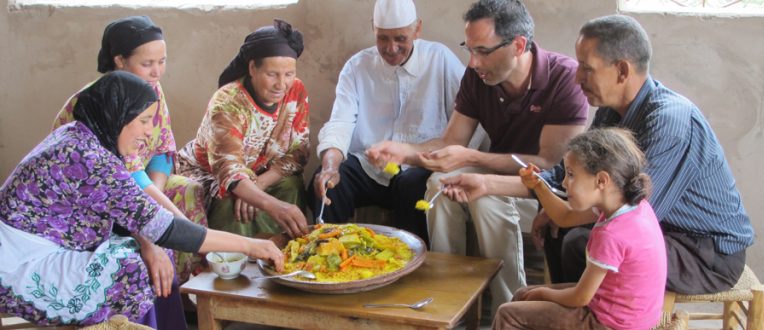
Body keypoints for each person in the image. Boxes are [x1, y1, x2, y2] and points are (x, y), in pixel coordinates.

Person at [442, 14, 755, 296]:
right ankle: (571, 312)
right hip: (661, 231)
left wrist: (561, 211)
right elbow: (563, 178)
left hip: (706, 252)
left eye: (587, 68)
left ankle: (580, 313)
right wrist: (485, 184)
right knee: (562, 227)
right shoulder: (610, 113)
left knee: (582, 240)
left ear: (621, 70)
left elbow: (633, 211)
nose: (578, 78)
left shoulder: (670, 120)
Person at [0, 72, 284, 327]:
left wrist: (152, 244)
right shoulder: (90, 159)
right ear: (118, 115)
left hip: (39, 246)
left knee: (150, 253)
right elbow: (167, 229)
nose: (149, 131)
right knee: (132, 270)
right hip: (18, 262)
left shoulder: (80, 135)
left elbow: (138, 215)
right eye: (144, 120)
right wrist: (251, 245)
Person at [366, 0, 589, 312]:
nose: (472, 62)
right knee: (439, 184)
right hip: (495, 178)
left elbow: (549, 165)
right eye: (469, 49)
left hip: (542, 192)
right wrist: (404, 151)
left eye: (482, 50)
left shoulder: (563, 78)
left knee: (485, 198)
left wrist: (475, 159)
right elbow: (450, 142)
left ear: (518, 45)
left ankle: (509, 308)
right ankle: (447, 300)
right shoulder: (479, 77)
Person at [52, 16, 207, 285]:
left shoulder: (152, 90)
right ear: (120, 61)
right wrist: (180, 226)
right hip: (96, 194)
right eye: (147, 64)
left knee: (187, 190)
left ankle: (184, 285)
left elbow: (161, 149)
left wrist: (158, 196)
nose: (157, 72)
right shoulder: (104, 100)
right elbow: (122, 178)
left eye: (162, 61)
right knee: (167, 222)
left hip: (139, 182)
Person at [308, 0, 466, 245]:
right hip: (370, 168)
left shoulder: (440, 59)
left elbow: (467, 121)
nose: (391, 48)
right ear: (374, 29)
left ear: (417, 29)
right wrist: (330, 166)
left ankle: (411, 266)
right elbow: (340, 122)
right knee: (326, 183)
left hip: (419, 166)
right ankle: (331, 256)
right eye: (383, 38)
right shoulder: (357, 67)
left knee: (412, 185)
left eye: (400, 38)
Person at [492, 128, 666, 330]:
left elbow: (581, 297)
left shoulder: (612, 234)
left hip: (611, 324)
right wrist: (539, 186)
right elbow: (565, 216)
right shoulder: (627, 205)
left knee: (509, 314)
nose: (565, 182)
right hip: (621, 312)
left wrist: (542, 294)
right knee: (523, 295)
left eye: (572, 175)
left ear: (601, 180)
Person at [177, 19, 309, 239]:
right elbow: (228, 172)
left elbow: (299, 151)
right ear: (252, 69)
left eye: (289, 74)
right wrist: (258, 197)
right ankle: (236, 264)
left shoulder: (296, 90)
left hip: (258, 172)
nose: (282, 84)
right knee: (232, 203)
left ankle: (288, 256)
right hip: (210, 174)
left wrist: (258, 185)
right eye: (272, 74)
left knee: (291, 185)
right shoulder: (229, 102)